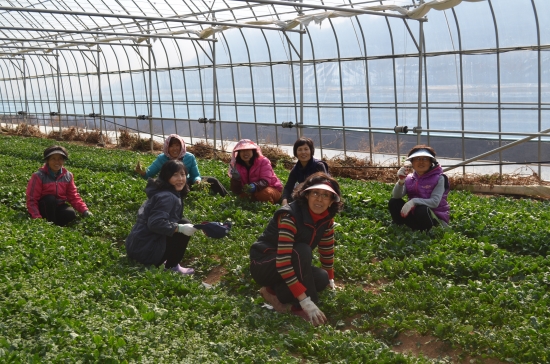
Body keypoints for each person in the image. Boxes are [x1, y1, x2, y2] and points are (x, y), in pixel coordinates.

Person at [249, 172, 344, 325]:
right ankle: (300, 305)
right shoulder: (290, 216)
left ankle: (272, 291)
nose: (320, 199)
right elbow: (283, 262)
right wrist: (307, 302)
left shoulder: (326, 219)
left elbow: (326, 249)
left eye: (326, 195)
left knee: (321, 278)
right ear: (306, 195)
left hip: (291, 260)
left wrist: (330, 278)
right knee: (302, 250)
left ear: (332, 201)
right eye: (315, 193)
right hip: (265, 264)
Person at [125, 160, 198, 275]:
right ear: (166, 177)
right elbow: (155, 223)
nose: (180, 179)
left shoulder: (163, 192)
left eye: (183, 174)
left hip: (136, 247)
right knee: (183, 224)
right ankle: (172, 266)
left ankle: (164, 258)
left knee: (179, 223)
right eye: (175, 175)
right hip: (146, 252)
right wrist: (180, 228)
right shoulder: (167, 197)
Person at [135, 134, 227, 198]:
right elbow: (149, 175)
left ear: (182, 146)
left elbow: (195, 175)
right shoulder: (162, 158)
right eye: (171, 146)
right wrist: (142, 172)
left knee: (212, 180)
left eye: (177, 145)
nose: (175, 149)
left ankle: (227, 198)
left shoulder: (189, 157)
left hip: (185, 183)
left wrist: (197, 181)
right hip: (168, 185)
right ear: (167, 147)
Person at [388, 145, 450, 231]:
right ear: (412, 163)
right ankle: (401, 225)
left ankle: (429, 231)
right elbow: (396, 196)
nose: (421, 162)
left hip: (434, 218)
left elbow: (435, 202)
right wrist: (401, 181)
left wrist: (413, 202)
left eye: (425, 159)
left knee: (421, 209)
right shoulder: (409, 178)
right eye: (417, 159)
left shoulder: (440, 178)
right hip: (416, 216)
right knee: (394, 202)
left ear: (430, 162)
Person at [26, 145, 92, 226]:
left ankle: (54, 224)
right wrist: (36, 216)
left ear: (63, 161)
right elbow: (32, 199)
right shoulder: (38, 176)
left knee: (70, 214)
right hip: (44, 207)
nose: (57, 162)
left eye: (60, 159)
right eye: (53, 158)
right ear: (48, 160)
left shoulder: (68, 176)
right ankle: (49, 225)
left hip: (58, 206)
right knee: (50, 199)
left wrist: (85, 210)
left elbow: (73, 196)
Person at [228, 139, 283, 204]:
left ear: (253, 151)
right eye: (242, 151)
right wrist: (235, 180)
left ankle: (267, 208)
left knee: (263, 193)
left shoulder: (263, 161)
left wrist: (254, 186)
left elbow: (265, 181)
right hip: (252, 192)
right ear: (239, 153)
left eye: (248, 150)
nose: (245, 153)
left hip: (271, 189)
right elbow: (236, 191)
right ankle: (255, 205)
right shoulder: (237, 166)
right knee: (242, 196)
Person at [281, 137, 329, 206]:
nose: (303, 152)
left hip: (319, 195)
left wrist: (304, 185)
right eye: (300, 150)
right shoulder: (296, 169)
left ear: (311, 151)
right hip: (305, 194)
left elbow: (324, 184)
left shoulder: (319, 165)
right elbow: (288, 187)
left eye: (306, 149)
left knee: (299, 189)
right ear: (296, 153)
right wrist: (284, 200)